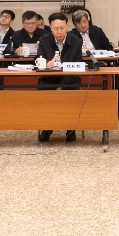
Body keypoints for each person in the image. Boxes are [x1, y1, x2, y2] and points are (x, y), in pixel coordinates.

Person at [36, 12, 83, 142]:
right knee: (44, 94)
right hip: (49, 80)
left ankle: (71, 129)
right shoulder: (44, 40)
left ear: (67, 25)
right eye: (56, 28)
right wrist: (46, 63)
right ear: (50, 27)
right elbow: (38, 58)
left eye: (62, 28)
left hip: (70, 80)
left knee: (71, 93)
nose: (59, 31)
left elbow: (77, 66)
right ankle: (46, 128)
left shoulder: (76, 41)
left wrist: (61, 87)